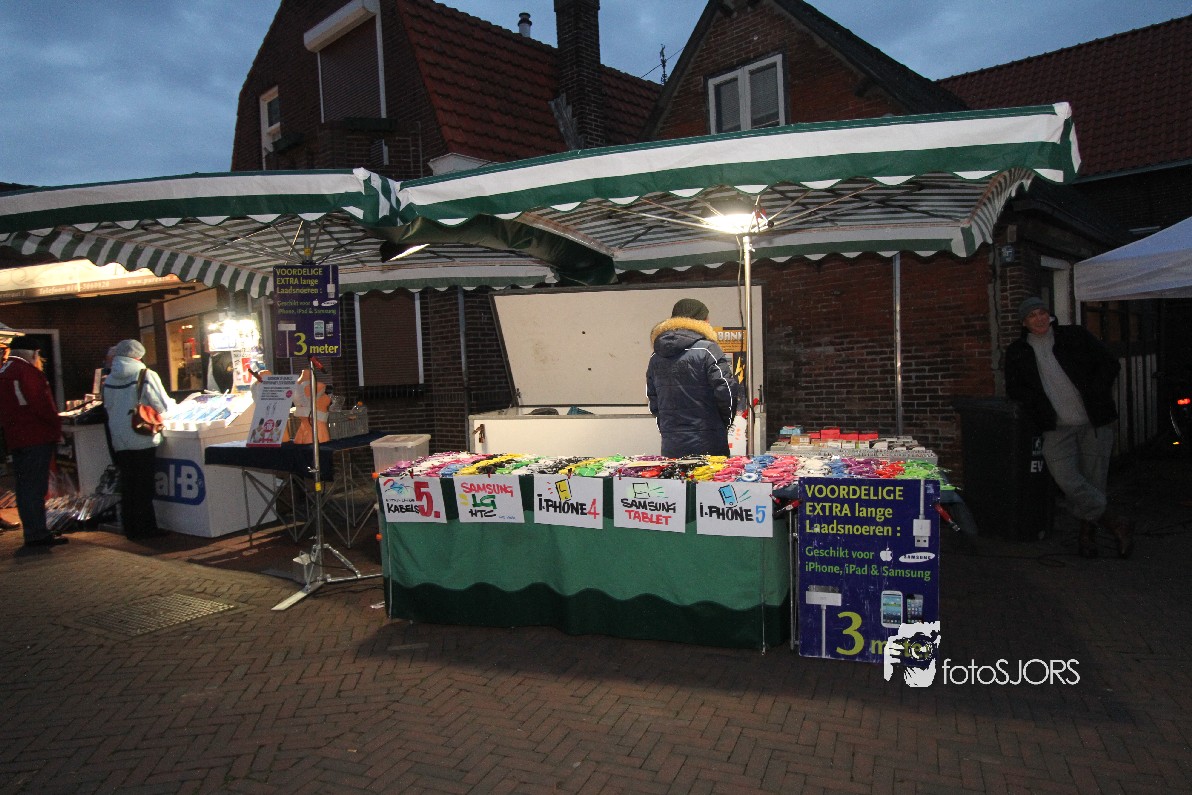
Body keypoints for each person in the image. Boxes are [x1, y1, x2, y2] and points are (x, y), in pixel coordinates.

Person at [1004, 296, 1133, 558]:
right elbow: (1014, 388)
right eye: (1032, 315)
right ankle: (1114, 521)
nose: (1039, 319)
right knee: (1066, 479)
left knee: (1094, 481)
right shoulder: (1018, 352)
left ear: (1049, 315)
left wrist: (1096, 391)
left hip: (1092, 422)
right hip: (1056, 427)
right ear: (1024, 323)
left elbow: (1109, 363)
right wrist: (1038, 407)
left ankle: (1086, 538)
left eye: (1042, 312)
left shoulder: (1074, 336)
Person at [646, 298, 740, 458]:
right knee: (709, 475)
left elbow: (653, 399)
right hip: (709, 441)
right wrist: (724, 423)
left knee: (676, 475)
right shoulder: (708, 349)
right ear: (700, 320)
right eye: (707, 318)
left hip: (671, 443)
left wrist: (667, 428)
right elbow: (727, 391)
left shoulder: (656, 355)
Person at [102, 339, 175, 540]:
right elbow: (163, 406)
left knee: (128, 484)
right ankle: (147, 528)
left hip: (119, 438)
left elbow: (108, 407)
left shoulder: (109, 378)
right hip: (141, 435)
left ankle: (131, 528)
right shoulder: (145, 374)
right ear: (139, 355)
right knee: (144, 485)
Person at [0, 336, 65, 546]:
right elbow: (41, 404)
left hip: (16, 437)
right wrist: (56, 428)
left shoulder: (4, 371)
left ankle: (32, 530)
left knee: (24, 486)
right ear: (34, 353)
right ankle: (37, 533)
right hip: (35, 436)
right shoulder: (27, 372)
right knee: (35, 487)